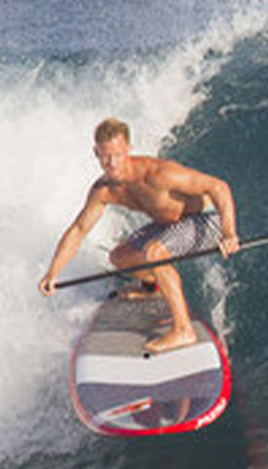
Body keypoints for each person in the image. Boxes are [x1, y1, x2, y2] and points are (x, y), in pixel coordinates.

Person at [39, 118, 239, 353]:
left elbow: (218, 187)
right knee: (120, 258)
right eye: (105, 156)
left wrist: (229, 233)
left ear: (128, 149)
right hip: (168, 225)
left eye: (118, 154)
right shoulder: (104, 190)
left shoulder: (158, 174)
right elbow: (78, 230)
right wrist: (53, 272)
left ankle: (184, 330)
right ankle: (152, 285)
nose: (112, 163)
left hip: (207, 220)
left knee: (156, 251)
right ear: (96, 152)